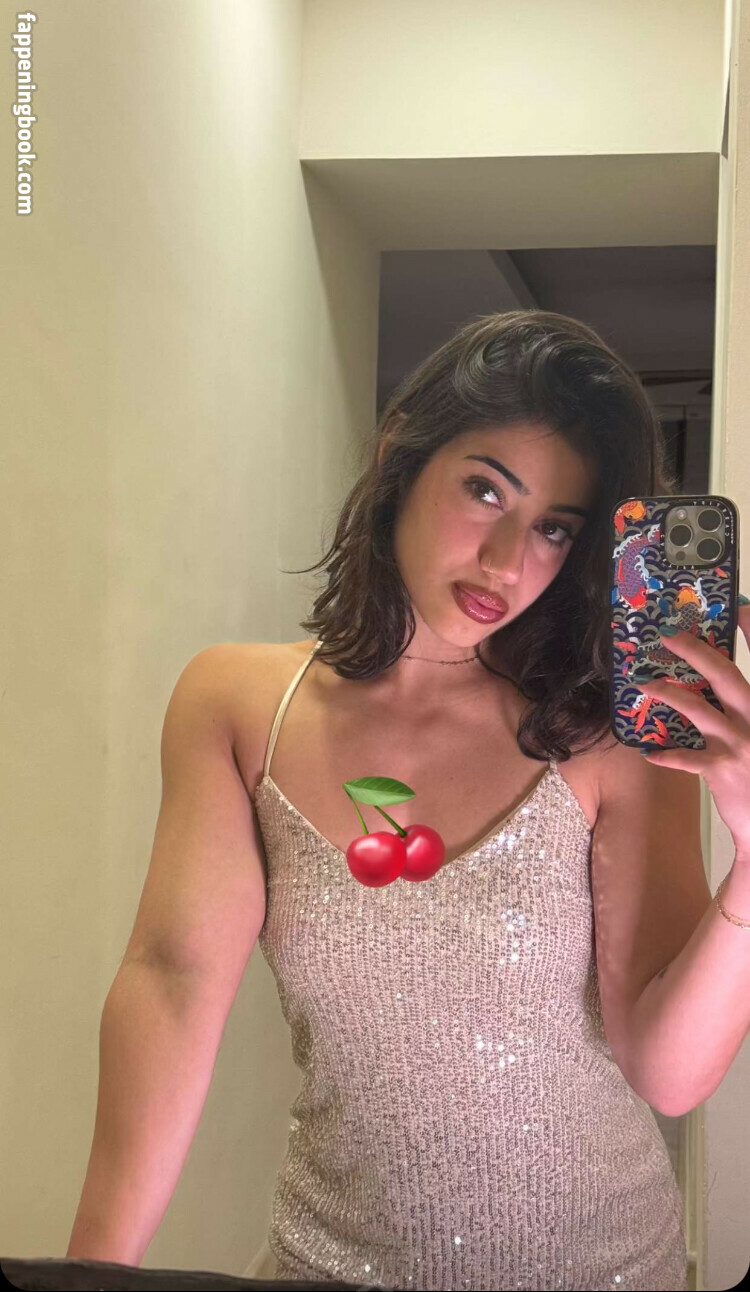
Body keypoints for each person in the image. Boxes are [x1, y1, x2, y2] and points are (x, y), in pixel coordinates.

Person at [68, 311, 705, 1290]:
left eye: (553, 529)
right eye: (485, 489)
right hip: (326, 1261)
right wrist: (89, 1272)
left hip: (605, 1268)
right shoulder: (238, 705)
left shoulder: (605, 734)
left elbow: (670, 1072)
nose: (506, 560)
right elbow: (171, 981)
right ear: (401, 452)